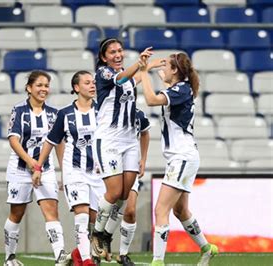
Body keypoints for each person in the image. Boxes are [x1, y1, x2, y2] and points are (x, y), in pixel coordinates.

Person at [138, 52, 218, 266]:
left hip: (182, 157)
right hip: (183, 157)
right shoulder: (180, 89)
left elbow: (151, 100)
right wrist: (143, 70)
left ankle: (157, 261)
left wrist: (144, 72)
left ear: (175, 71)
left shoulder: (181, 89)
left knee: (160, 210)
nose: (161, 70)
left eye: (166, 66)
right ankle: (207, 248)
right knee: (180, 210)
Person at [90, 37, 153, 262]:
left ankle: (106, 234)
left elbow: (132, 78)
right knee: (115, 191)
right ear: (104, 57)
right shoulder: (103, 74)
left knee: (126, 194)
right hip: (108, 140)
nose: (117, 55)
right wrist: (140, 62)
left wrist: (150, 65)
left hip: (129, 142)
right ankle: (97, 233)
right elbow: (121, 79)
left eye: (120, 51)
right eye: (112, 52)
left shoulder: (127, 76)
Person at [32, 71, 101, 266]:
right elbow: (50, 141)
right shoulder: (65, 114)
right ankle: (87, 261)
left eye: (94, 82)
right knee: (82, 214)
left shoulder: (102, 110)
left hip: (98, 173)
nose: (92, 86)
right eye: (87, 83)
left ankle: (79, 254)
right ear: (77, 88)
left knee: (97, 219)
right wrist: (38, 167)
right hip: (74, 170)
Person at [3, 70, 67, 266]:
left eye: (46, 85)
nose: (43, 89)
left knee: (51, 211)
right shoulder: (19, 111)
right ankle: (9, 257)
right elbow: (13, 140)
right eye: (39, 85)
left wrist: (64, 172)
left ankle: (60, 257)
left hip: (45, 170)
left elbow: (59, 144)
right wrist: (32, 163)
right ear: (29, 88)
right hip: (20, 169)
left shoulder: (54, 114)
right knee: (17, 213)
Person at [113, 108, 151, 266]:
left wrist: (143, 159)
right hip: (111, 167)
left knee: (130, 211)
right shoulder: (106, 111)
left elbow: (145, 133)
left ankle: (123, 254)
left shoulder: (138, 114)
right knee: (107, 210)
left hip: (130, 167)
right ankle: (95, 248)